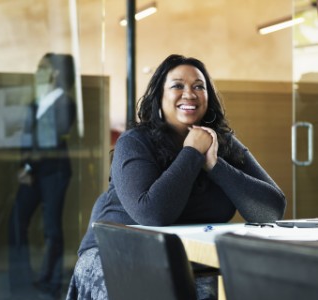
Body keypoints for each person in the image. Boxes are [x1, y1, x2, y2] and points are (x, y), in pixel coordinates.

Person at [66, 54, 286, 300]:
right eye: (177, 85)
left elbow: (271, 210)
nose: (189, 94)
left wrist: (214, 164)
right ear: (159, 97)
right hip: (115, 254)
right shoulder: (135, 142)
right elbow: (153, 215)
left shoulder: (223, 143)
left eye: (199, 86)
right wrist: (191, 153)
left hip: (192, 259)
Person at [9, 53, 76, 299]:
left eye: (42, 67)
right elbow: (27, 139)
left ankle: (50, 281)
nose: (37, 71)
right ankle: (23, 279)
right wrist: (23, 166)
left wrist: (27, 168)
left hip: (53, 172)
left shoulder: (64, 102)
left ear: (55, 73)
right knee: (17, 222)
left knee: (51, 228)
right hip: (33, 171)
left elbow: (50, 142)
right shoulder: (37, 101)